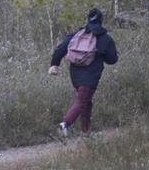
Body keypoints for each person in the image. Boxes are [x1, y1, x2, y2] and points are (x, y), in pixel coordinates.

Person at [48, 8, 119, 136]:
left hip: (75, 74)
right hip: (91, 75)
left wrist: (54, 64)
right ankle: (65, 124)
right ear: (101, 21)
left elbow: (60, 49)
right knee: (82, 101)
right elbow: (112, 59)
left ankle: (86, 132)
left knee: (86, 100)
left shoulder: (77, 34)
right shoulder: (104, 38)